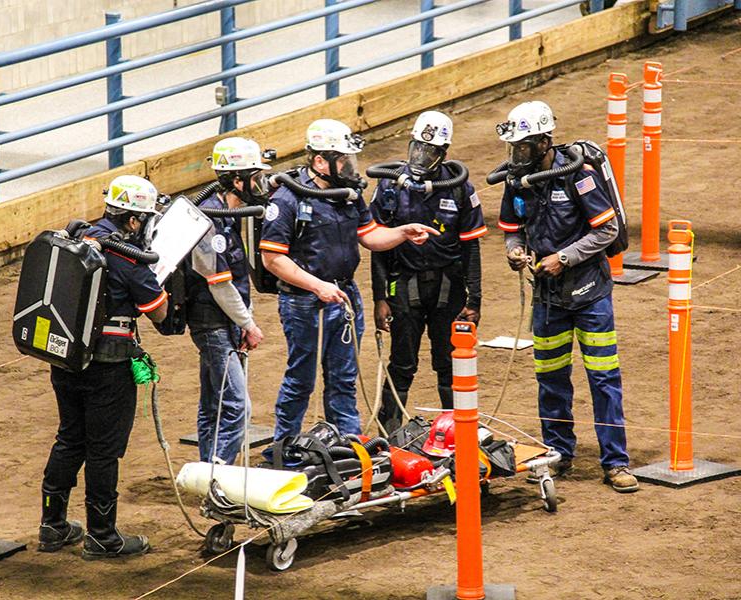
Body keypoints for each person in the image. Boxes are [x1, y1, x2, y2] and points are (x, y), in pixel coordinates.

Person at [259, 118, 437, 449]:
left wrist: (402, 232)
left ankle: (349, 447)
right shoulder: (287, 199)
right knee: (301, 379)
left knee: (344, 377)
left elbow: (368, 235)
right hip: (305, 302)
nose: (350, 167)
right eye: (343, 160)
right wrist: (317, 286)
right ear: (320, 161)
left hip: (342, 296)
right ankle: (286, 448)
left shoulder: (348, 195)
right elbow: (273, 259)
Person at [495, 100, 638, 493]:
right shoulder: (516, 180)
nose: (517, 154)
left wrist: (564, 257)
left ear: (544, 142)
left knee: (603, 378)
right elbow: (511, 228)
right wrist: (514, 250)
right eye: (515, 147)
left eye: (523, 146)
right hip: (546, 297)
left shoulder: (580, 176)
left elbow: (606, 232)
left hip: (590, 295)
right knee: (551, 378)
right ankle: (559, 451)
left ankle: (616, 462)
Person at [39, 175, 169, 558]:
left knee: (69, 438)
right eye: (145, 219)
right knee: (102, 450)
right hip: (108, 368)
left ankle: (53, 526)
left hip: (64, 360)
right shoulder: (128, 258)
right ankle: (102, 535)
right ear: (132, 220)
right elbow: (160, 313)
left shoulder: (79, 237)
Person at [369, 111, 487, 433]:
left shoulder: (460, 188)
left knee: (448, 363)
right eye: (416, 148)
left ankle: (458, 433)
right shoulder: (390, 186)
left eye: (430, 151)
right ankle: (388, 434)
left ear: (443, 153)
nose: (420, 157)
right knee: (402, 363)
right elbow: (377, 247)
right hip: (404, 285)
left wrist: (474, 299)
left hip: (448, 286)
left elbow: (471, 247)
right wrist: (381, 298)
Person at [185, 137, 268, 465]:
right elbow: (219, 285)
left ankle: (209, 471)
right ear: (237, 180)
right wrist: (248, 324)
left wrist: (244, 321)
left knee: (213, 407)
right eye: (255, 177)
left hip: (223, 323)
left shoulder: (230, 217)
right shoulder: (209, 222)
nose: (260, 185)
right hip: (212, 324)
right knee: (237, 408)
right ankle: (218, 476)